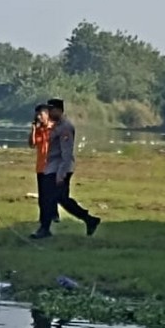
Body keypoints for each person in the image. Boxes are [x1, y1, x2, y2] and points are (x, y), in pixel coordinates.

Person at [31, 98, 102, 239]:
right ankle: (89, 219)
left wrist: (61, 174)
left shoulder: (65, 128)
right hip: (50, 168)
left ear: (59, 110)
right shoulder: (55, 126)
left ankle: (45, 229)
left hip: (59, 169)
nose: (49, 113)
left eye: (52, 110)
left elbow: (67, 153)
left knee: (52, 199)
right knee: (57, 199)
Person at [28, 104, 60, 224]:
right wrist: (33, 130)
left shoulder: (55, 129)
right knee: (43, 196)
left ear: (47, 115)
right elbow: (32, 144)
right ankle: (44, 220)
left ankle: (52, 216)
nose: (38, 117)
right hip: (41, 167)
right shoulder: (39, 130)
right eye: (37, 115)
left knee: (51, 194)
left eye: (41, 114)